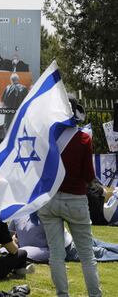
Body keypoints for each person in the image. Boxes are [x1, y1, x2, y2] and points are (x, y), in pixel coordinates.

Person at [38, 95, 102, 297]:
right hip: (75, 199)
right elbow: (88, 175)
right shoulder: (84, 138)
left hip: (49, 199)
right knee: (87, 256)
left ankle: (62, 295)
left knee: (56, 255)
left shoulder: (48, 136)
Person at [7, 212, 118, 263]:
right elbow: (10, 233)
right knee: (100, 247)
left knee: (101, 251)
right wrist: (14, 241)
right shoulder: (19, 212)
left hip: (68, 247)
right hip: (66, 241)